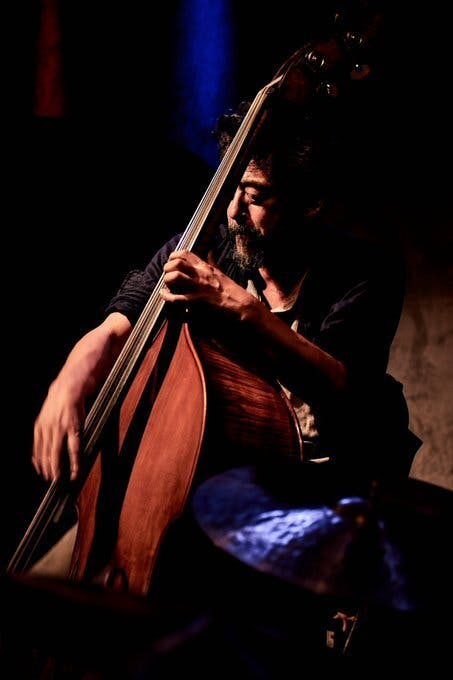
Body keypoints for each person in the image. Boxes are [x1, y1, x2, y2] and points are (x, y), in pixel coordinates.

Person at [23, 98, 421, 676]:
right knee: (42, 595)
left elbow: (340, 381)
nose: (233, 210)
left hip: (304, 496)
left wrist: (242, 309)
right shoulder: (210, 243)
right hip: (190, 488)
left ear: (311, 203)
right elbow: (120, 319)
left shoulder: (365, 272)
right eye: (231, 186)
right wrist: (68, 381)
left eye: (255, 196)